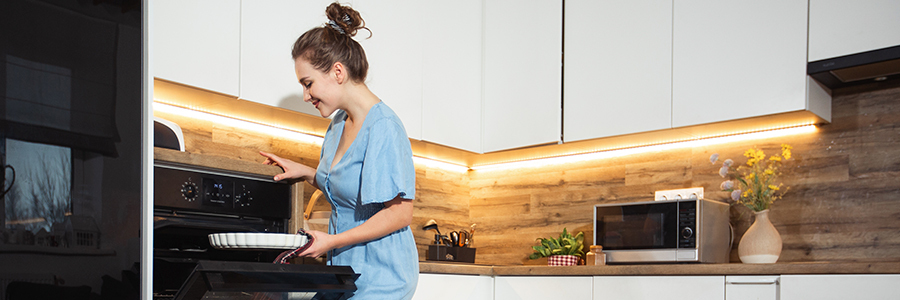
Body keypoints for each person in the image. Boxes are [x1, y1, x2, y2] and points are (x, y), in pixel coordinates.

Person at [258, 2, 418, 299]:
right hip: (345, 273)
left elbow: (399, 214)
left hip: (383, 277)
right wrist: (305, 171)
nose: (306, 96)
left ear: (338, 71)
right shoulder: (339, 123)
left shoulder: (383, 126)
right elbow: (348, 190)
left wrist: (331, 241)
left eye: (308, 84)